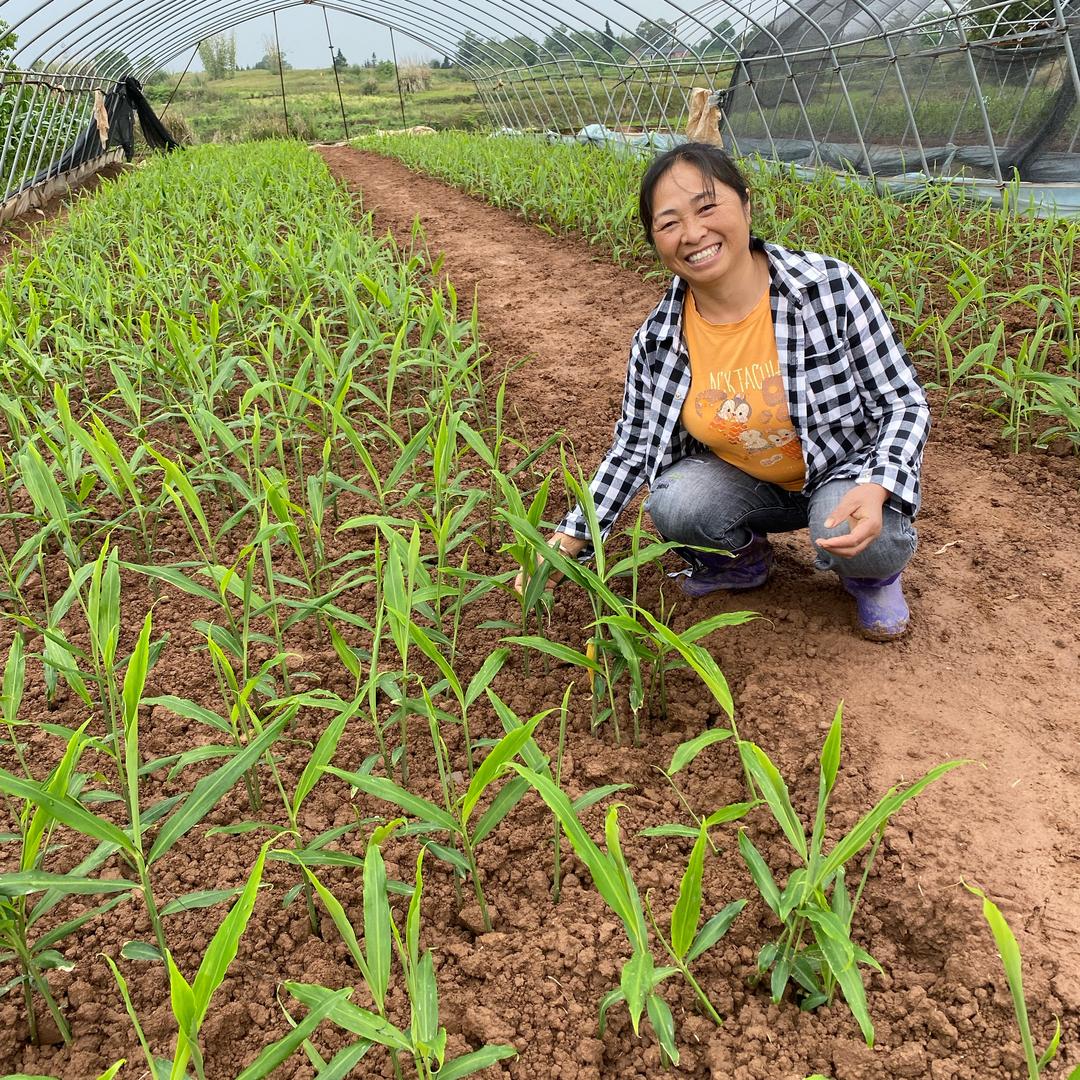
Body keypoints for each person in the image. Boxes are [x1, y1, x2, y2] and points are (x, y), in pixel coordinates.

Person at [539, 143, 929, 641]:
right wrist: (570, 537)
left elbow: (903, 402)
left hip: (843, 471)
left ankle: (871, 578)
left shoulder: (827, 289)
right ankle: (742, 560)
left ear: (745, 204)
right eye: (669, 223)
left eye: (707, 207)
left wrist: (879, 483)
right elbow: (634, 448)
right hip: (749, 481)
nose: (693, 233)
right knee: (674, 501)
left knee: (849, 530)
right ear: (655, 240)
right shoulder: (658, 340)